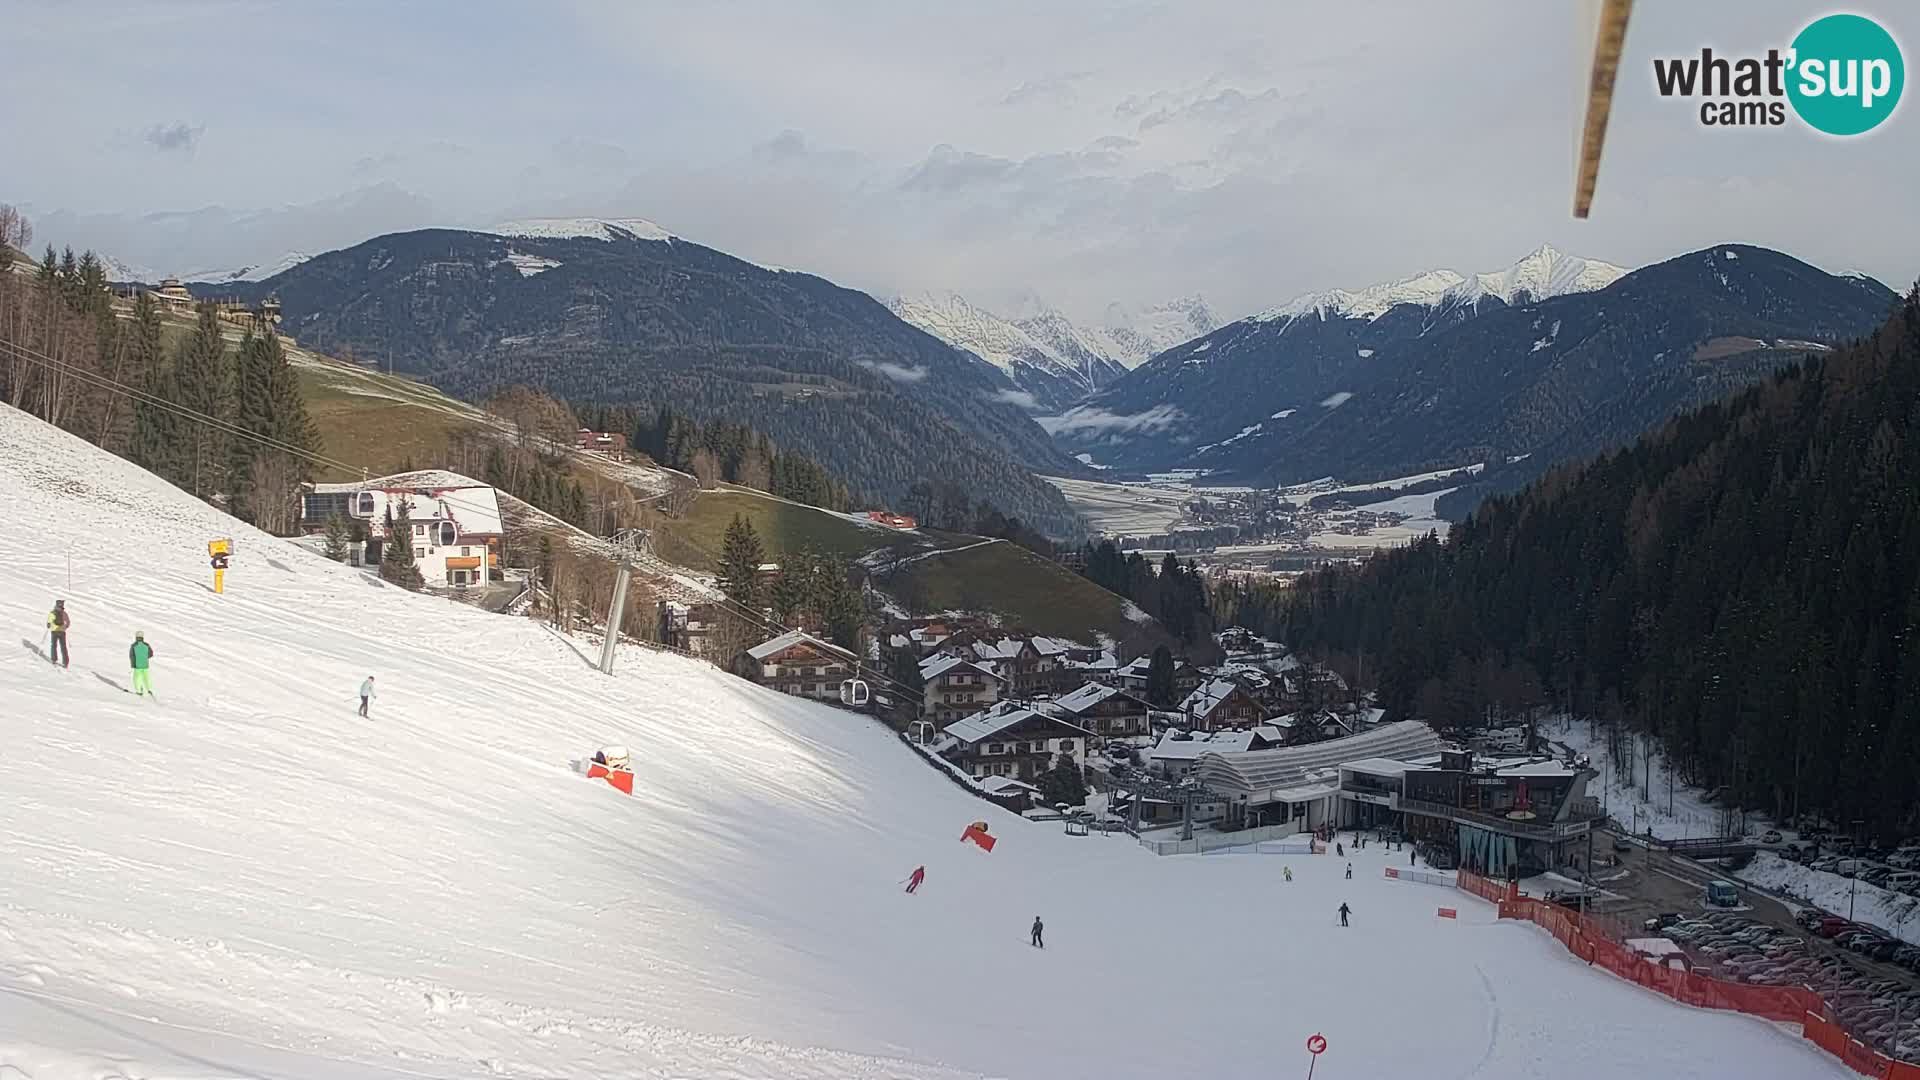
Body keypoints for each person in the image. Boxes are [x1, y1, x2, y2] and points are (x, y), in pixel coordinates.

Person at [129, 631, 154, 697]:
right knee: (146, 677)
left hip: (137, 665)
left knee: (137, 678)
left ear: (136, 637)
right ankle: (149, 689)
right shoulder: (147, 645)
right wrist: (145, 658)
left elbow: (131, 655)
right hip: (145, 664)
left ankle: (139, 691)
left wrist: (133, 664)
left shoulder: (134, 645)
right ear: (142, 637)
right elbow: (151, 653)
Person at [46, 600, 70, 668]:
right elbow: (68, 622)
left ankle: (54, 660)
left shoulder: (52, 613)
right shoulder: (64, 613)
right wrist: (65, 627)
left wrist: (48, 625)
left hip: (54, 631)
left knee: (54, 645)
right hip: (62, 631)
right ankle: (65, 662)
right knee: (63, 647)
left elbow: (49, 622)